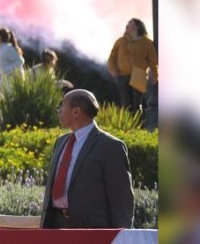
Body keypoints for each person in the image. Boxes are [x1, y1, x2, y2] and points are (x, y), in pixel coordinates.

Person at [40, 89, 135, 228]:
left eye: (62, 105)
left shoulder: (110, 146)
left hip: (91, 232)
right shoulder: (61, 142)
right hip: (55, 226)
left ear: (76, 112)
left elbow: (121, 199)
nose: (58, 110)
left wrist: (122, 237)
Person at [107, 18, 158, 115]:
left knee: (136, 103)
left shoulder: (147, 43)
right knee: (125, 102)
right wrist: (113, 70)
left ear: (138, 27)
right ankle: (127, 125)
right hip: (122, 75)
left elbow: (153, 60)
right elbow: (112, 58)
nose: (127, 26)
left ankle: (137, 124)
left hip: (139, 75)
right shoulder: (120, 41)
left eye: (130, 24)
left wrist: (154, 74)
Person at [0, 26, 25, 114]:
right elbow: (1, 62)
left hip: (13, 80)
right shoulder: (1, 49)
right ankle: (4, 119)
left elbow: (20, 61)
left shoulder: (8, 48)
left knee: (6, 102)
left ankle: (8, 120)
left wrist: (6, 70)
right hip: (5, 79)